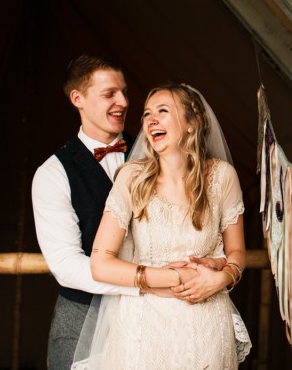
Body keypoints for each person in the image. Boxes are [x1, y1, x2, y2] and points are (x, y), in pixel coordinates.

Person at [74, 83, 251, 369]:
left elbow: (237, 252)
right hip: (145, 327)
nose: (150, 120)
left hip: (206, 324)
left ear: (193, 123)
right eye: (146, 114)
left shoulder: (223, 177)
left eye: (162, 111)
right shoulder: (132, 178)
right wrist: (175, 278)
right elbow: (100, 264)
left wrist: (223, 277)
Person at [32, 54, 137, 370]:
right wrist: (146, 282)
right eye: (109, 94)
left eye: (124, 92)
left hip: (152, 316)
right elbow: (66, 265)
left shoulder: (155, 154)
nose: (123, 101)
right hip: (82, 322)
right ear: (77, 98)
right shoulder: (52, 173)